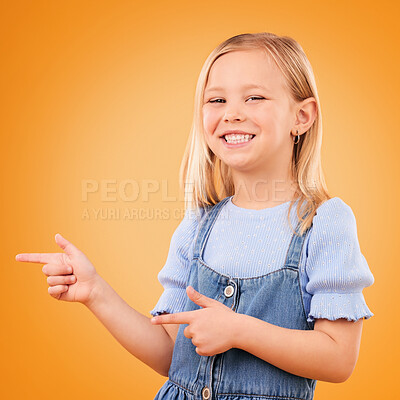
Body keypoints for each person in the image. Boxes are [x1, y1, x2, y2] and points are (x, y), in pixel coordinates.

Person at [15, 32, 375, 400]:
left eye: (254, 97)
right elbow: (172, 353)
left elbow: (339, 358)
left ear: (302, 116)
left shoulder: (324, 223)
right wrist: (95, 292)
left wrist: (239, 330)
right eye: (216, 99)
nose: (232, 113)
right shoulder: (198, 226)